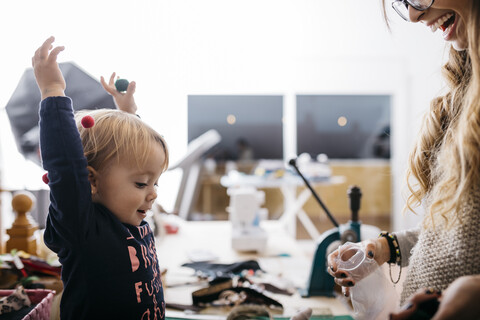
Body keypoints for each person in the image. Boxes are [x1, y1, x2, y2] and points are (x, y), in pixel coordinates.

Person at [328, 1, 480, 319]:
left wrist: (470, 295)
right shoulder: (461, 100)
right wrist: (382, 249)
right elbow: (448, 237)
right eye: (404, 2)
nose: (414, 15)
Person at [33, 36, 169, 319]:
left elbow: (132, 160)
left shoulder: (130, 219)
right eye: (141, 184)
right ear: (91, 182)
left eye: (155, 182)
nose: (153, 193)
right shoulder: (82, 228)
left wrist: (129, 114)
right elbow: (66, 169)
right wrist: (52, 89)